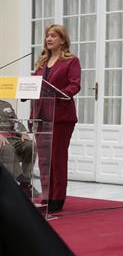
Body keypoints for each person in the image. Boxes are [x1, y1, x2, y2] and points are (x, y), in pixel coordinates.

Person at [32, 24, 81, 213]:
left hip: (61, 116)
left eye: (53, 36)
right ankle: (46, 195)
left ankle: (58, 197)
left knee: (57, 158)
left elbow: (75, 85)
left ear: (62, 40)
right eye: (47, 36)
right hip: (40, 115)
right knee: (44, 159)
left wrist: (59, 94)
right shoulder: (42, 62)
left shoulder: (71, 61)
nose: (49, 39)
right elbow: (36, 85)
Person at [0, 100, 35, 197]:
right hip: (1, 141)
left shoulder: (6, 104)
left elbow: (15, 122)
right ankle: (9, 187)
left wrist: (23, 133)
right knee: (7, 149)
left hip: (12, 138)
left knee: (30, 146)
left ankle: (25, 183)